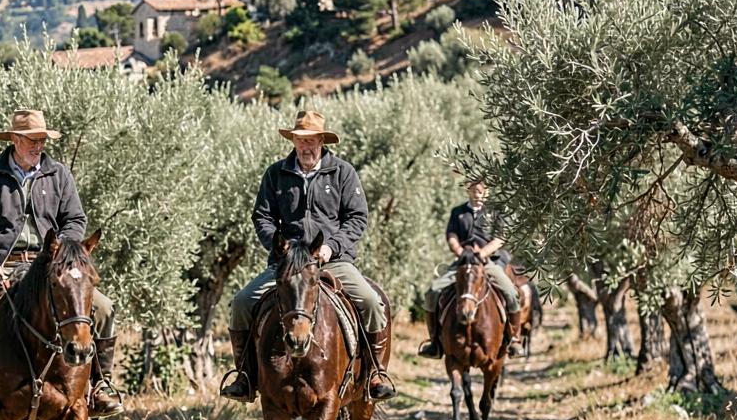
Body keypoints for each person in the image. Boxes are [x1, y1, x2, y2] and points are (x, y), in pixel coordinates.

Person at [0, 109, 122, 418]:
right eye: (32, 140)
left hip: (48, 267)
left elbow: (75, 219)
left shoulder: (58, 174)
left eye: (42, 140)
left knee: (103, 307)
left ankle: (101, 386)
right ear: (15, 139)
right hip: (0, 265)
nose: (39, 146)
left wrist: (62, 253)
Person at [220, 110, 393, 403]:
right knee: (240, 303)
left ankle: (376, 374)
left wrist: (331, 246)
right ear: (294, 141)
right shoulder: (276, 174)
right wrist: (279, 247)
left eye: (312, 140)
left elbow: (357, 218)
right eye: (301, 141)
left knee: (371, 303)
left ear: (322, 141)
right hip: (288, 264)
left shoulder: (343, 173)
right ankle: (245, 377)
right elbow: (261, 216)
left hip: (333, 261)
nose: (306, 147)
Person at [418, 179, 524, 356]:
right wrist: (459, 251)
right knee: (432, 292)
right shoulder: (458, 212)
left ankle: (514, 339)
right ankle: (434, 341)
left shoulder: (495, 211)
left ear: (486, 192)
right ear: (468, 191)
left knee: (511, 293)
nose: (477, 194)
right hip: (462, 262)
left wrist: (483, 253)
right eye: (474, 190)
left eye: (480, 190)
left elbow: (500, 238)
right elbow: (451, 235)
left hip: (486, 262)